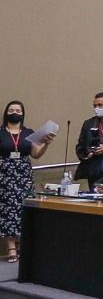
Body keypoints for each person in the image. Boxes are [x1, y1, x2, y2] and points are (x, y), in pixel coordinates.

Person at [1, 101, 56, 262]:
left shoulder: (28, 133)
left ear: (23, 114)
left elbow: (36, 154)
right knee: (7, 209)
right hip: (5, 174)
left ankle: (20, 244)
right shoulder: (1, 132)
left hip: (24, 174)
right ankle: (11, 246)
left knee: (23, 207)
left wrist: (45, 143)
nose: (15, 113)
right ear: (6, 113)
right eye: (11, 110)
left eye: (18, 110)